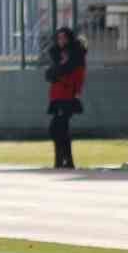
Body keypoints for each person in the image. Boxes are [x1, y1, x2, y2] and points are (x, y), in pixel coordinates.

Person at [45, 26, 87, 169]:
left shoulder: (75, 55)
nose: (61, 40)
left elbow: (76, 75)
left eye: (64, 37)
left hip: (67, 96)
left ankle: (63, 161)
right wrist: (57, 71)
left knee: (57, 128)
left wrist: (59, 71)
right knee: (60, 130)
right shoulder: (56, 55)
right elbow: (50, 74)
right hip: (57, 96)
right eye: (59, 38)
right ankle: (64, 161)